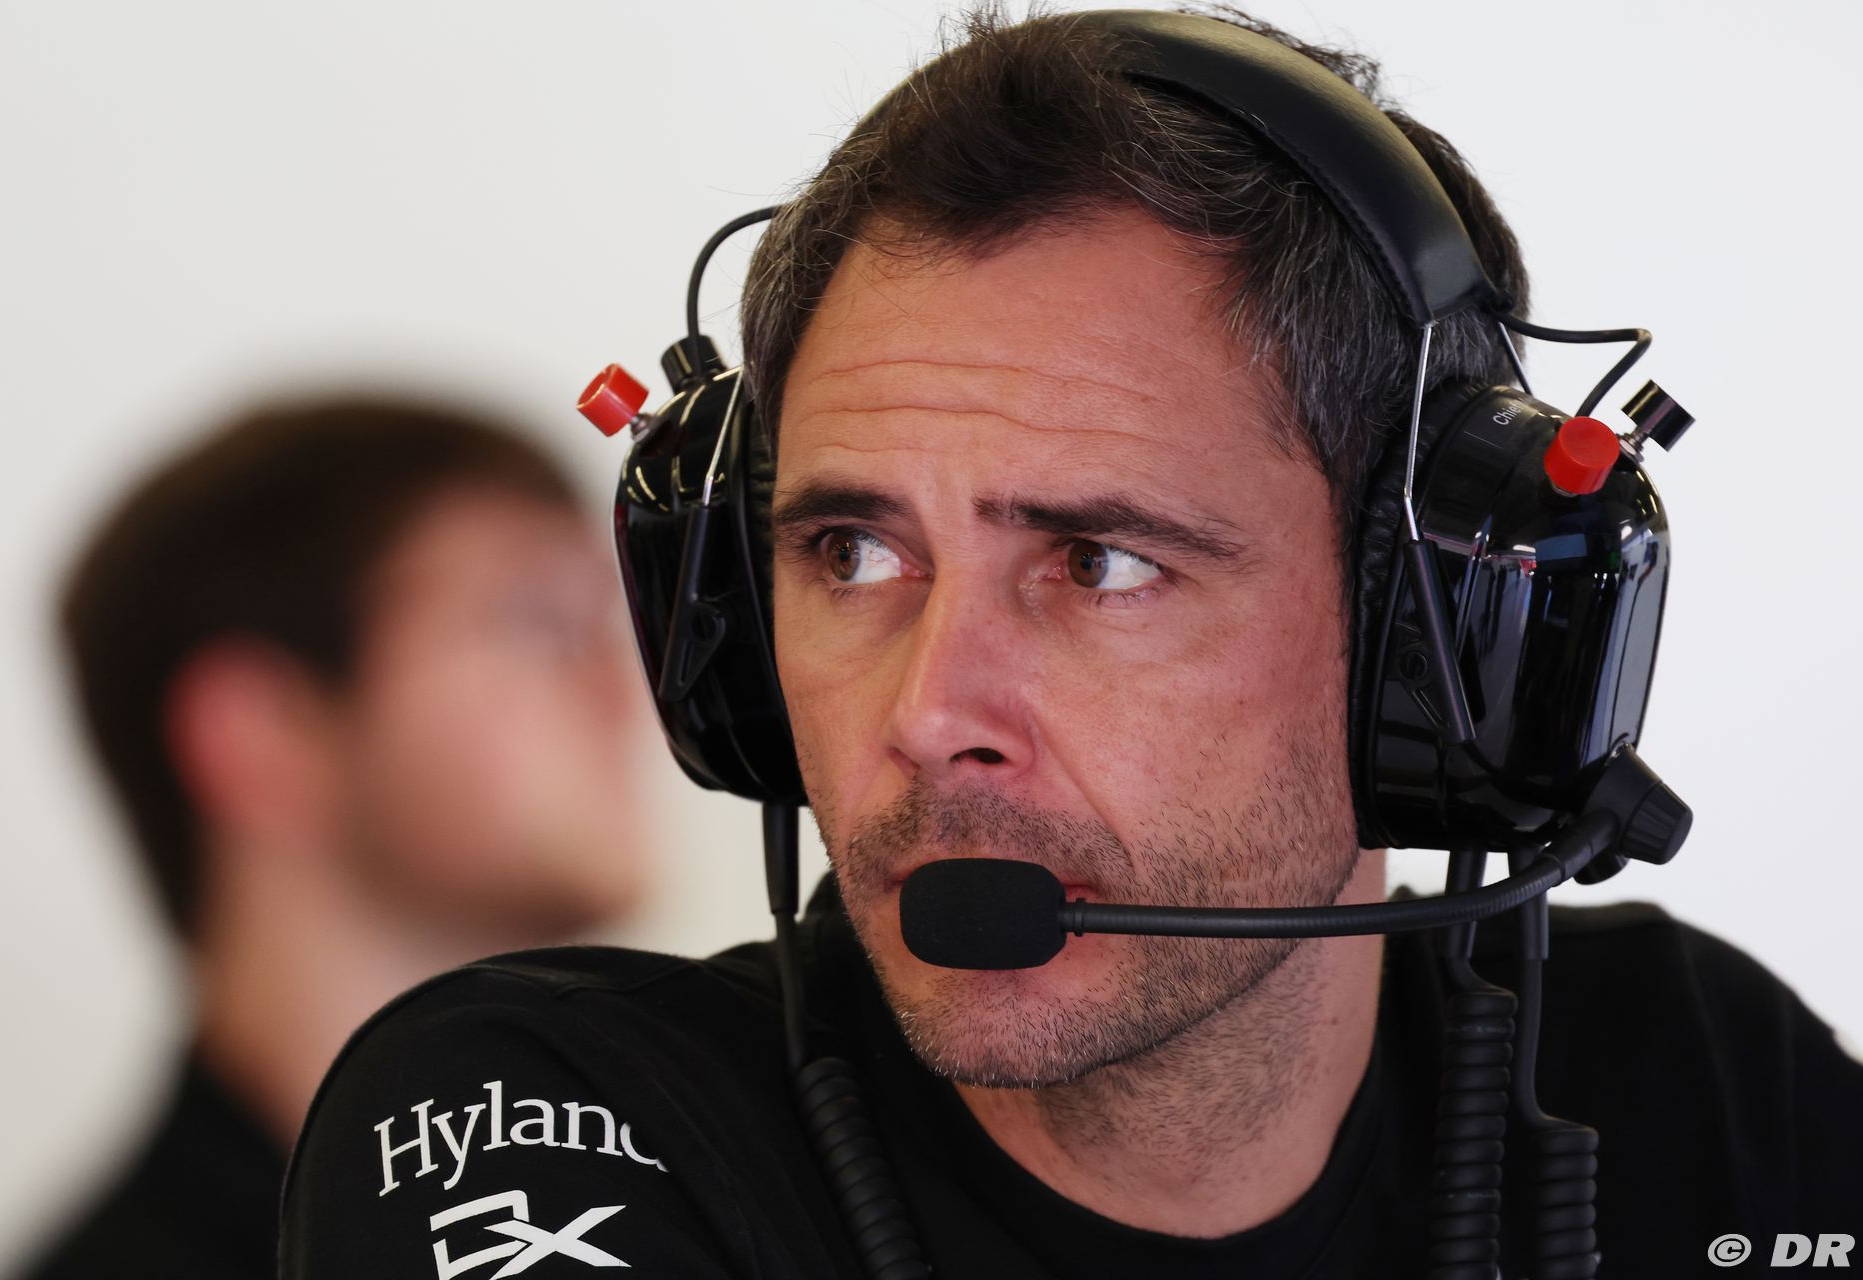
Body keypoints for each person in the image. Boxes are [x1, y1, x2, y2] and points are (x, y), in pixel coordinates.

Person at [279, 10, 1863, 1279]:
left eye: (1100, 564)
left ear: (1433, 633)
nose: (927, 711)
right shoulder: (531, 1124)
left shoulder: (1708, 1088)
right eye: (852, 552)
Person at [13, 395, 653, 1279]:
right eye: (539, 626)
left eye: (605, 630)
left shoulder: (713, 1195)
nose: (625, 699)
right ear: (261, 731)